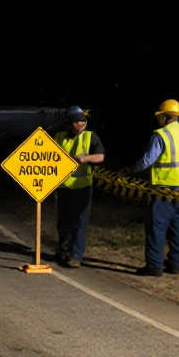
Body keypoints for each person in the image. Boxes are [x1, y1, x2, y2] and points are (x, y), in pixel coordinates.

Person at [116, 99, 179, 276]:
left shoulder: (162, 135)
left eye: (160, 116)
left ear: (167, 116)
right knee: (178, 228)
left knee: (156, 227)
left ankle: (154, 266)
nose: (158, 120)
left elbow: (147, 160)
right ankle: (174, 265)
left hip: (164, 189)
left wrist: (130, 169)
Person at [53, 106, 105, 268]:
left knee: (79, 223)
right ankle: (63, 252)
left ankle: (76, 256)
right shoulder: (59, 136)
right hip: (63, 188)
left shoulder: (90, 137)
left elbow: (101, 156)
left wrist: (86, 159)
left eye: (80, 122)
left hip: (82, 188)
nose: (78, 125)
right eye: (72, 122)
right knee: (63, 222)